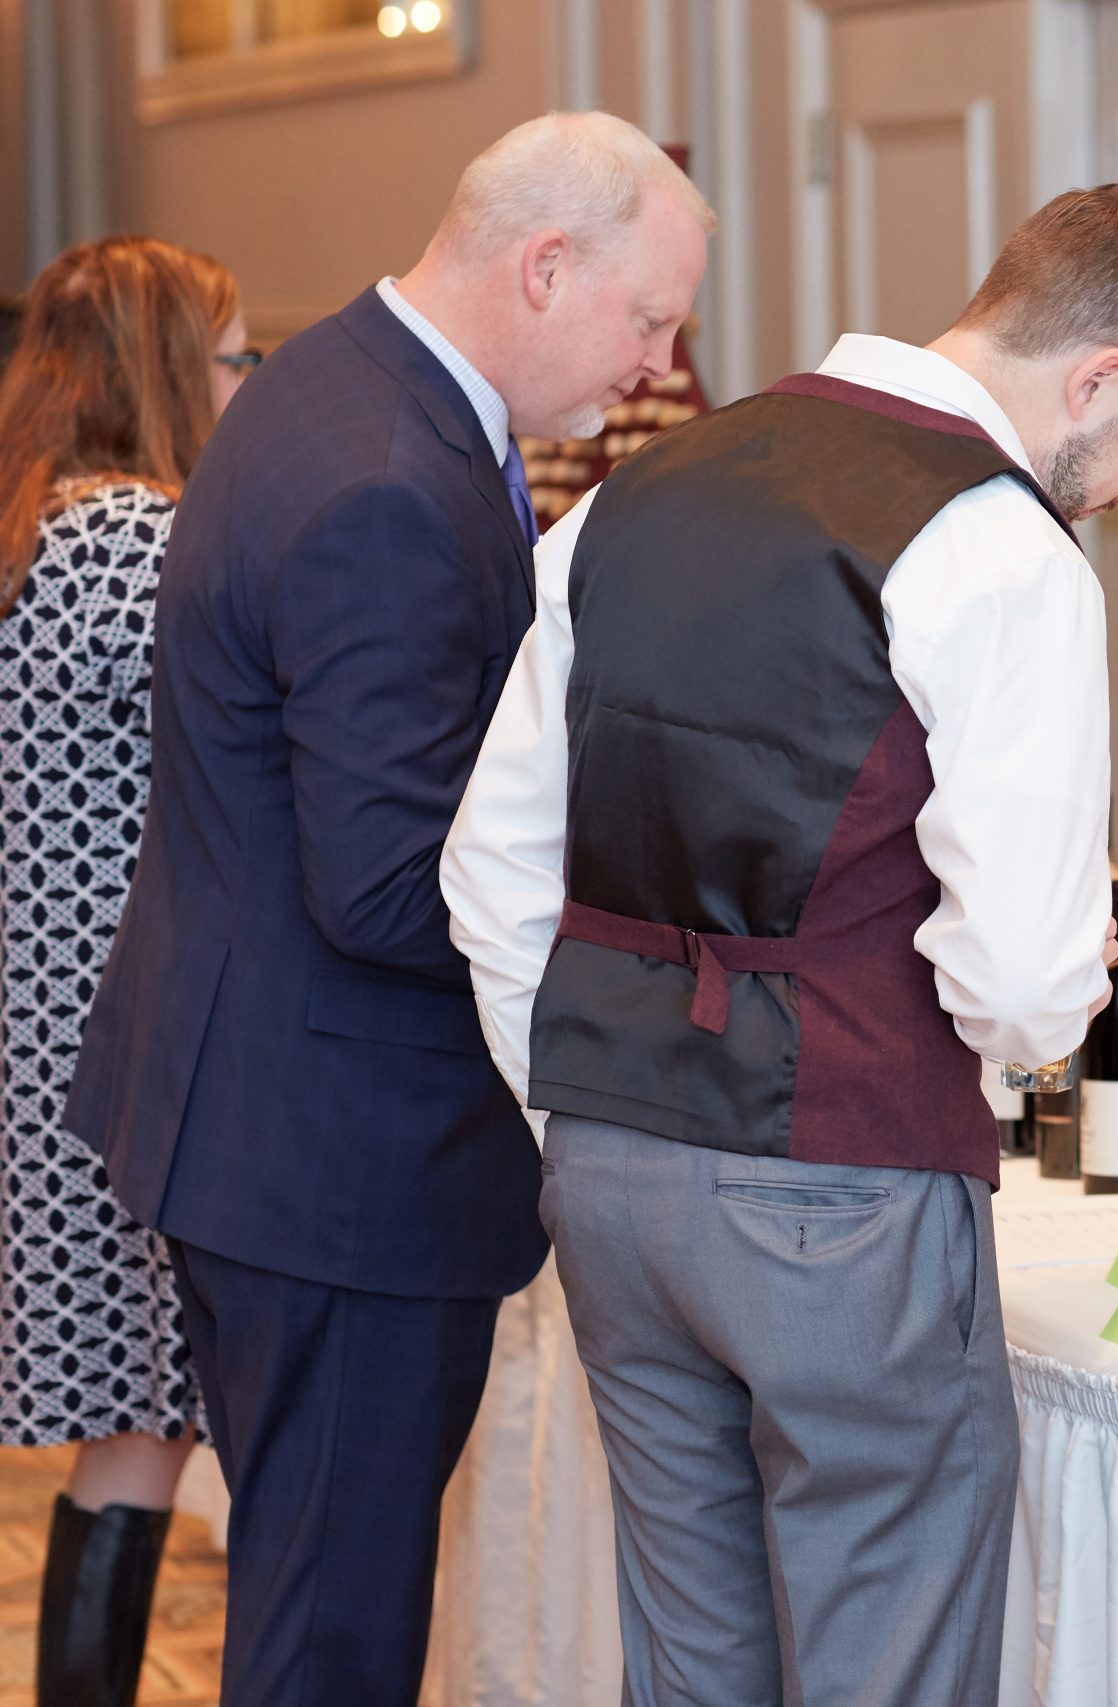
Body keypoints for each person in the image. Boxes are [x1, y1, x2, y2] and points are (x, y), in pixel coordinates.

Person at [442, 181, 1118, 1703]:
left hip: (612, 1176)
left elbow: (492, 861)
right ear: (1098, 377)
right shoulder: (1000, 547)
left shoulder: (639, 491)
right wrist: (1003, 1061)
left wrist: (571, 1103)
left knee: (691, 1666)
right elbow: (1022, 970)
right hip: (841, 1183)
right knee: (886, 1664)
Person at [65, 113, 710, 1704]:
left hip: (261, 1110)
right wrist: (641, 941)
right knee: (330, 1640)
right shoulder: (388, 479)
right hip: (337, 1154)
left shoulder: (340, 379)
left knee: (311, 1606)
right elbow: (382, 881)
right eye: (648, 318)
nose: (659, 361)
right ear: (543, 267)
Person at [0, 234, 244, 1707]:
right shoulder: (140, 541)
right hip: (130, 1030)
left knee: (130, 1417)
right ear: (160, 370)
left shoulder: (29, 523)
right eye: (227, 355)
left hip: (42, 1019)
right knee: (151, 1408)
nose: (245, 382)